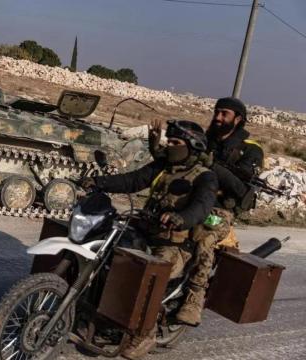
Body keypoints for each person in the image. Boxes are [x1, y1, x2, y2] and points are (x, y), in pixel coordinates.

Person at [83, 119, 218, 360]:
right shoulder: (163, 166)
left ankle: (146, 333)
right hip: (145, 230)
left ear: (192, 147)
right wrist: (99, 183)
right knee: (106, 250)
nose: (169, 146)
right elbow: (133, 180)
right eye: (169, 141)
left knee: (148, 275)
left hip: (174, 245)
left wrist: (180, 218)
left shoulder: (205, 177)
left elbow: (202, 207)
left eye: (176, 142)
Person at [148, 97, 263, 327]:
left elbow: (241, 190)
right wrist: (155, 146)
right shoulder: (204, 140)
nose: (218, 118)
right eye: (217, 113)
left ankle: (194, 297)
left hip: (219, 211)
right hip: (190, 201)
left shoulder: (250, 150)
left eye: (225, 114)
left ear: (238, 119)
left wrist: (212, 166)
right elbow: (176, 162)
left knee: (204, 237)